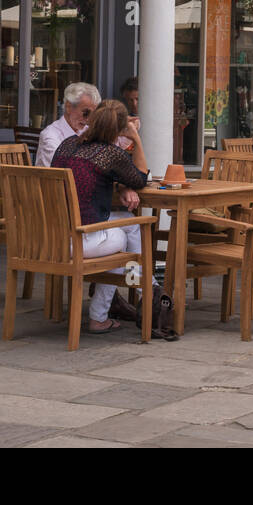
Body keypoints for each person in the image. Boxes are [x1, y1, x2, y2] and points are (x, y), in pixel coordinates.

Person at [51, 100, 151, 333]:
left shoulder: (67, 144)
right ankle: (138, 294)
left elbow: (90, 177)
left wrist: (120, 187)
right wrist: (136, 138)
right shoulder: (109, 154)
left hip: (49, 239)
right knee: (128, 233)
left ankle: (144, 287)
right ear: (119, 130)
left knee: (125, 227)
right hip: (77, 241)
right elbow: (140, 179)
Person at [36, 82, 100, 167]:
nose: (88, 119)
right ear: (69, 107)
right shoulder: (50, 136)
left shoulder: (87, 131)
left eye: (92, 114)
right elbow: (64, 169)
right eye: (85, 112)